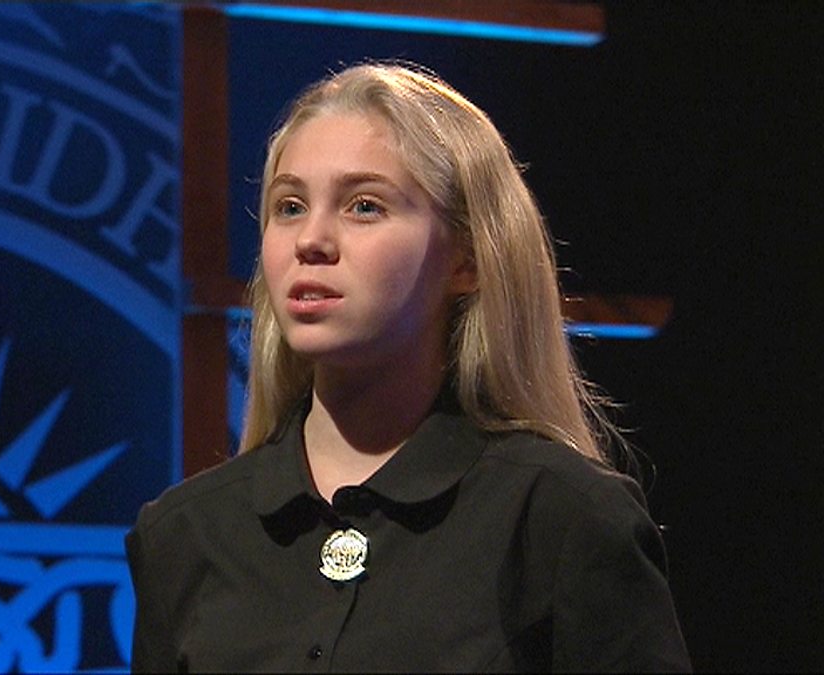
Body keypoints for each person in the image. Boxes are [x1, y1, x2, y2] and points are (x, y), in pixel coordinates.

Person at [126, 62, 691, 672]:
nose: (310, 240)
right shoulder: (183, 535)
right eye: (289, 206)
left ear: (466, 260)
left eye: (364, 206)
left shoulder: (562, 517)